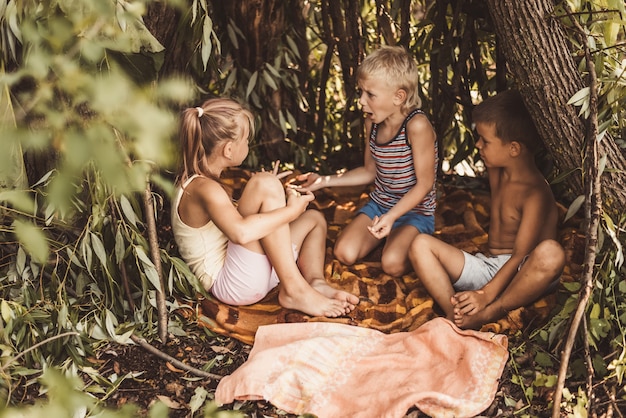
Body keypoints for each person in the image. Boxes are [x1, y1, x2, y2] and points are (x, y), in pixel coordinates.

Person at [171, 97, 359, 318]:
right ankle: (294, 290)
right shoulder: (203, 188)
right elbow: (240, 232)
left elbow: (237, 220)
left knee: (314, 219)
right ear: (229, 150)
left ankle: (314, 282)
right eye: (247, 140)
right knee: (265, 184)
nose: (248, 145)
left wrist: (272, 195)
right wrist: (290, 210)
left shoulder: (203, 183)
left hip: (253, 271)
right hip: (234, 282)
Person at [409, 89, 566, 330]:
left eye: (486, 141)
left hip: (523, 275)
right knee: (420, 245)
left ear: (513, 149)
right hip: (490, 268)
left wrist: (484, 295)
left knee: (551, 252)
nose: (478, 145)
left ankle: (490, 313)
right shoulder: (498, 170)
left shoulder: (535, 194)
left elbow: (518, 256)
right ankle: (458, 315)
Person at [296, 45, 438, 277]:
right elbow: (370, 171)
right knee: (344, 252)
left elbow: (425, 184)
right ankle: (391, 237)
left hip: (415, 212)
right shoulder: (372, 122)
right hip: (380, 205)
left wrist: (393, 217)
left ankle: (404, 239)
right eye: (361, 92)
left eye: (370, 95)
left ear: (398, 97)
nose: (361, 101)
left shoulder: (417, 125)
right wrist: (323, 181)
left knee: (391, 265)